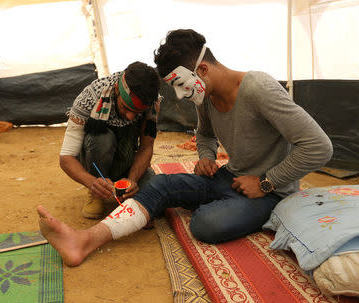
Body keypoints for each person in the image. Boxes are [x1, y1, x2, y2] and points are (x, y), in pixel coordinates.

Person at [38, 29, 333, 267]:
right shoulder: (205, 96)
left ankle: (247, 210)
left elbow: (319, 146)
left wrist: (266, 182)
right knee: (161, 186)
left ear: (202, 68)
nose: (179, 95)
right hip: (228, 177)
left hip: (268, 192)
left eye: (180, 85)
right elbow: (204, 136)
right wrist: (205, 157)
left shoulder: (259, 88)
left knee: (205, 224)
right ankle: (84, 240)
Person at [59, 61, 161, 219]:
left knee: (157, 199)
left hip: (127, 161)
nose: (130, 117)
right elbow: (66, 158)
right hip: (96, 162)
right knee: (101, 139)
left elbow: (146, 147)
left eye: (137, 112)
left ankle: (125, 189)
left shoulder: (153, 102)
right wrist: (91, 182)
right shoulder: (91, 96)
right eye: (126, 108)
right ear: (116, 90)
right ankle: (97, 193)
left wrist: (132, 180)